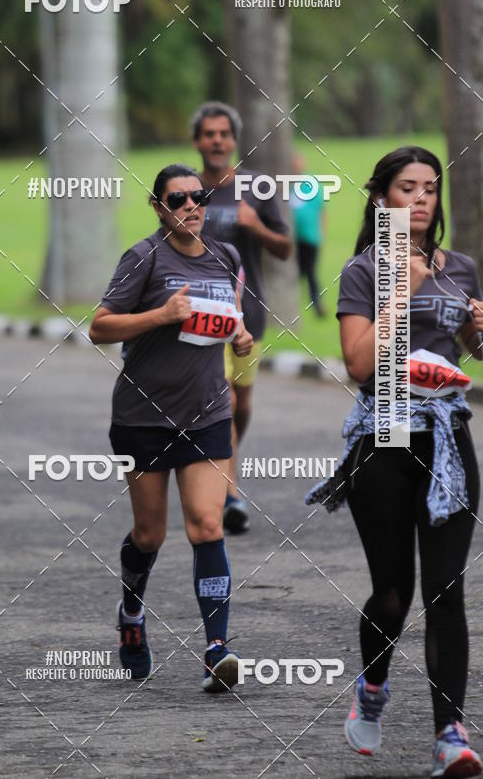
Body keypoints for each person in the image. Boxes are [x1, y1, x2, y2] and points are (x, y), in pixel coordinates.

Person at [306, 147, 483, 777]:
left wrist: (477, 334)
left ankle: (450, 736)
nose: (422, 199)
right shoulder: (362, 271)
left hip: (448, 440)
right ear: (382, 199)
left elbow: (470, 351)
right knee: (393, 594)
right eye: (408, 188)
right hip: (384, 438)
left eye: (430, 188)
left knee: (446, 591)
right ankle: (373, 686)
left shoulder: (461, 268)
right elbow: (358, 365)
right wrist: (401, 292)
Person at [89, 164, 253, 693]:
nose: (190, 207)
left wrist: (241, 337)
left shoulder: (226, 257)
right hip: (143, 418)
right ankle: (132, 615)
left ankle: (216, 650)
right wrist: (160, 315)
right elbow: (99, 327)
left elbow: (232, 320)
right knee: (150, 534)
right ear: (159, 207)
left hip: (207, 412)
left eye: (197, 197)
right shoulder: (144, 257)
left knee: (207, 524)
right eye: (177, 199)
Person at [191, 101, 293, 533]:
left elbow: (284, 248)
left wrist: (255, 225)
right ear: (197, 141)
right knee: (226, 400)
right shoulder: (186, 187)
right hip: (201, 317)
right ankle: (230, 493)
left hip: (249, 312)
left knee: (242, 403)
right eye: (209, 134)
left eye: (224, 134)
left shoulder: (257, 187)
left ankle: (223, 464)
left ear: (234, 140)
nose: (217, 141)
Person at [289, 152, 326, 318]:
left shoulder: (311, 183)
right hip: (291, 238)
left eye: (298, 161)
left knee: (310, 272)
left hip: (310, 236)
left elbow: (322, 210)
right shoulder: (285, 183)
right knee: (294, 272)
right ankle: (292, 305)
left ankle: (316, 304)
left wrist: (321, 233)